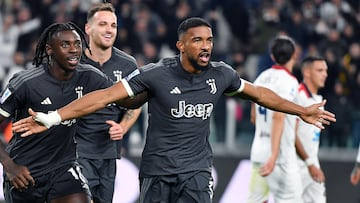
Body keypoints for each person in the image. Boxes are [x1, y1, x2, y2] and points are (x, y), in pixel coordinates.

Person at [12, 17, 336, 203]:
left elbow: (260, 94)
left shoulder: (221, 74)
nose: (206, 45)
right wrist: (54, 117)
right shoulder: (156, 74)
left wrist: (300, 110)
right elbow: (103, 96)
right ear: (182, 45)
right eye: (197, 40)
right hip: (157, 173)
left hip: (196, 172)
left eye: (209, 39)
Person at [0, 22, 119, 203]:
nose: (74, 50)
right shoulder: (25, 83)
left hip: (64, 168)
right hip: (25, 172)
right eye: (65, 45)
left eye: (78, 44)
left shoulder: (89, 76)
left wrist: (147, 82)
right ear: (49, 50)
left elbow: (123, 96)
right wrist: (10, 167)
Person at [76, 3, 142, 203]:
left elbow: (137, 103)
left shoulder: (127, 64)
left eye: (113, 25)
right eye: (103, 24)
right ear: (88, 28)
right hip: (75, 152)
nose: (109, 30)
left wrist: (122, 127)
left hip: (108, 154)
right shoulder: (72, 62)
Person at [247, 35, 303, 203]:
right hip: (279, 158)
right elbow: (279, 115)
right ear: (294, 55)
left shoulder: (261, 78)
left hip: (258, 152)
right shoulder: (290, 81)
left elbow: (253, 117)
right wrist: (273, 155)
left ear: (272, 56)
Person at [294, 56, 328, 202]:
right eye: (320, 70)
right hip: (296, 167)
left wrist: (312, 163)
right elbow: (291, 134)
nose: (325, 74)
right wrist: (309, 163)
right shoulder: (297, 95)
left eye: (325, 70)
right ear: (307, 72)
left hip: (312, 165)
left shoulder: (319, 100)